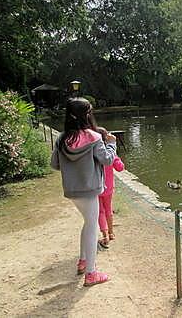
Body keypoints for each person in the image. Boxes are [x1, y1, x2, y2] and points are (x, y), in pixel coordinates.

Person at [51, 97, 116, 287]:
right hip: (90, 190)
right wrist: (112, 143)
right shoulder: (94, 137)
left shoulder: (62, 138)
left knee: (88, 224)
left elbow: (54, 164)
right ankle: (91, 273)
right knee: (92, 227)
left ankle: (83, 262)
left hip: (72, 191)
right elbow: (107, 160)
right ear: (87, 114)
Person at [95, 127, 124, 249]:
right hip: (109, 188)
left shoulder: (94, 153)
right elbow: (120, 167)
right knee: (108, 209)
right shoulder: (110, 154)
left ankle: (105, 235)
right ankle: (111, 233)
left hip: (97, 187)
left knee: (100, 211)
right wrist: (117, 158)